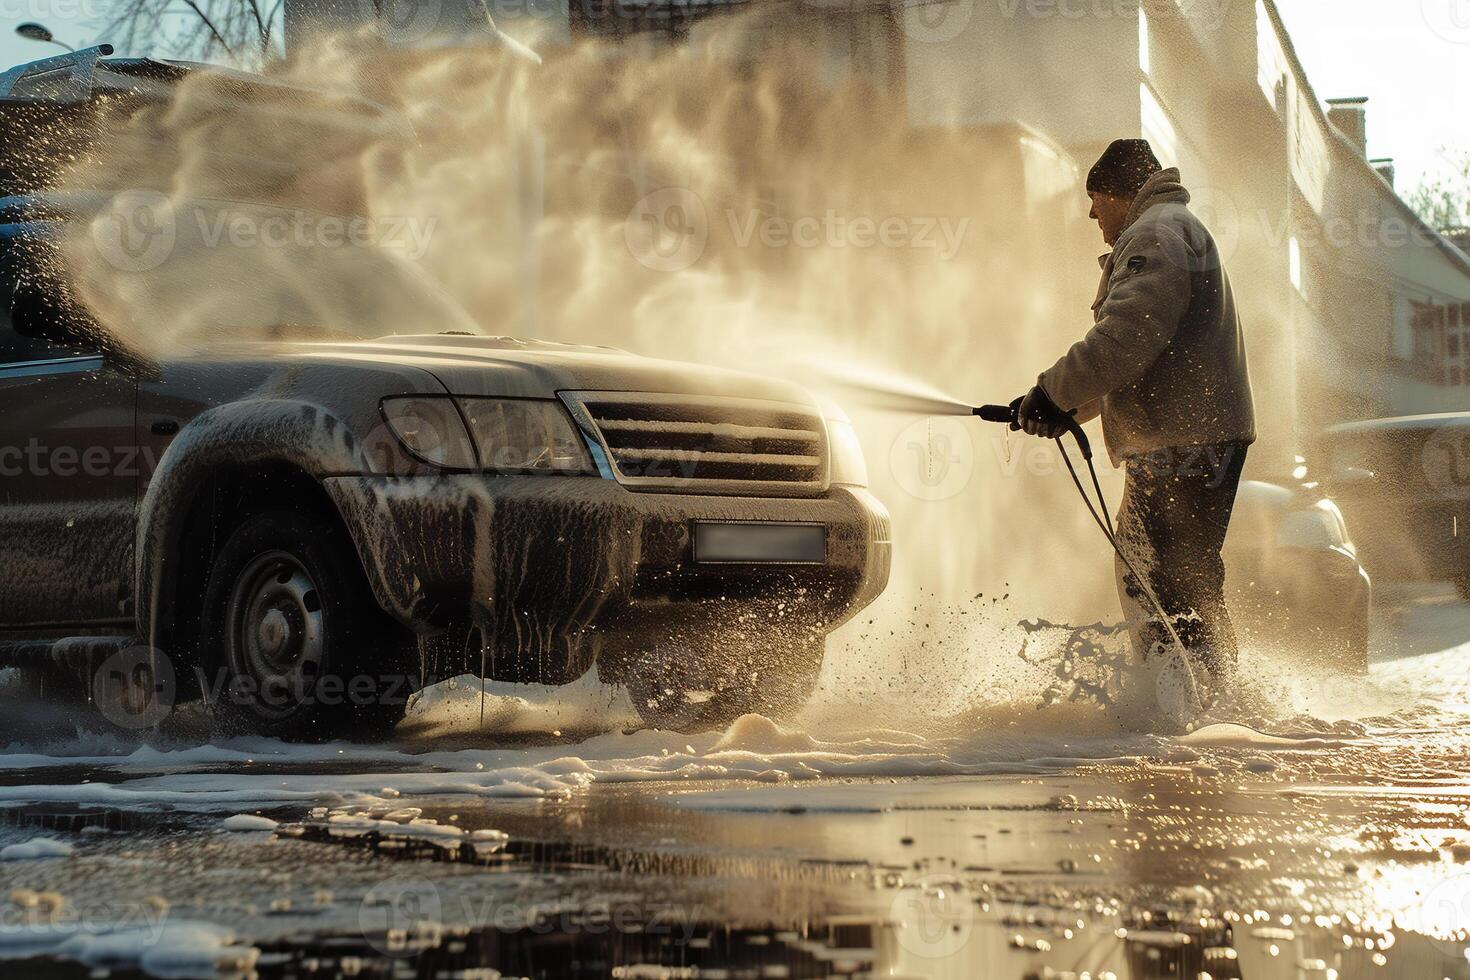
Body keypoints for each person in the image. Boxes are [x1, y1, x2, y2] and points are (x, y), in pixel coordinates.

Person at [1011, 138, 1256, 687]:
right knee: (1176, 576)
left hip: (1183, 441)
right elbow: (1139, 360)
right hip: (1193, 436)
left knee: (1163, 578)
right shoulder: (1176, 228)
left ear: (1120, 193)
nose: (1092, 213)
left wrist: (1051, 392)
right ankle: (1207, 697)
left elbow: (1126, 336)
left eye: (1095, 198)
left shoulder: (1155, 233)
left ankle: (1186, 705)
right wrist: (1056, 402)